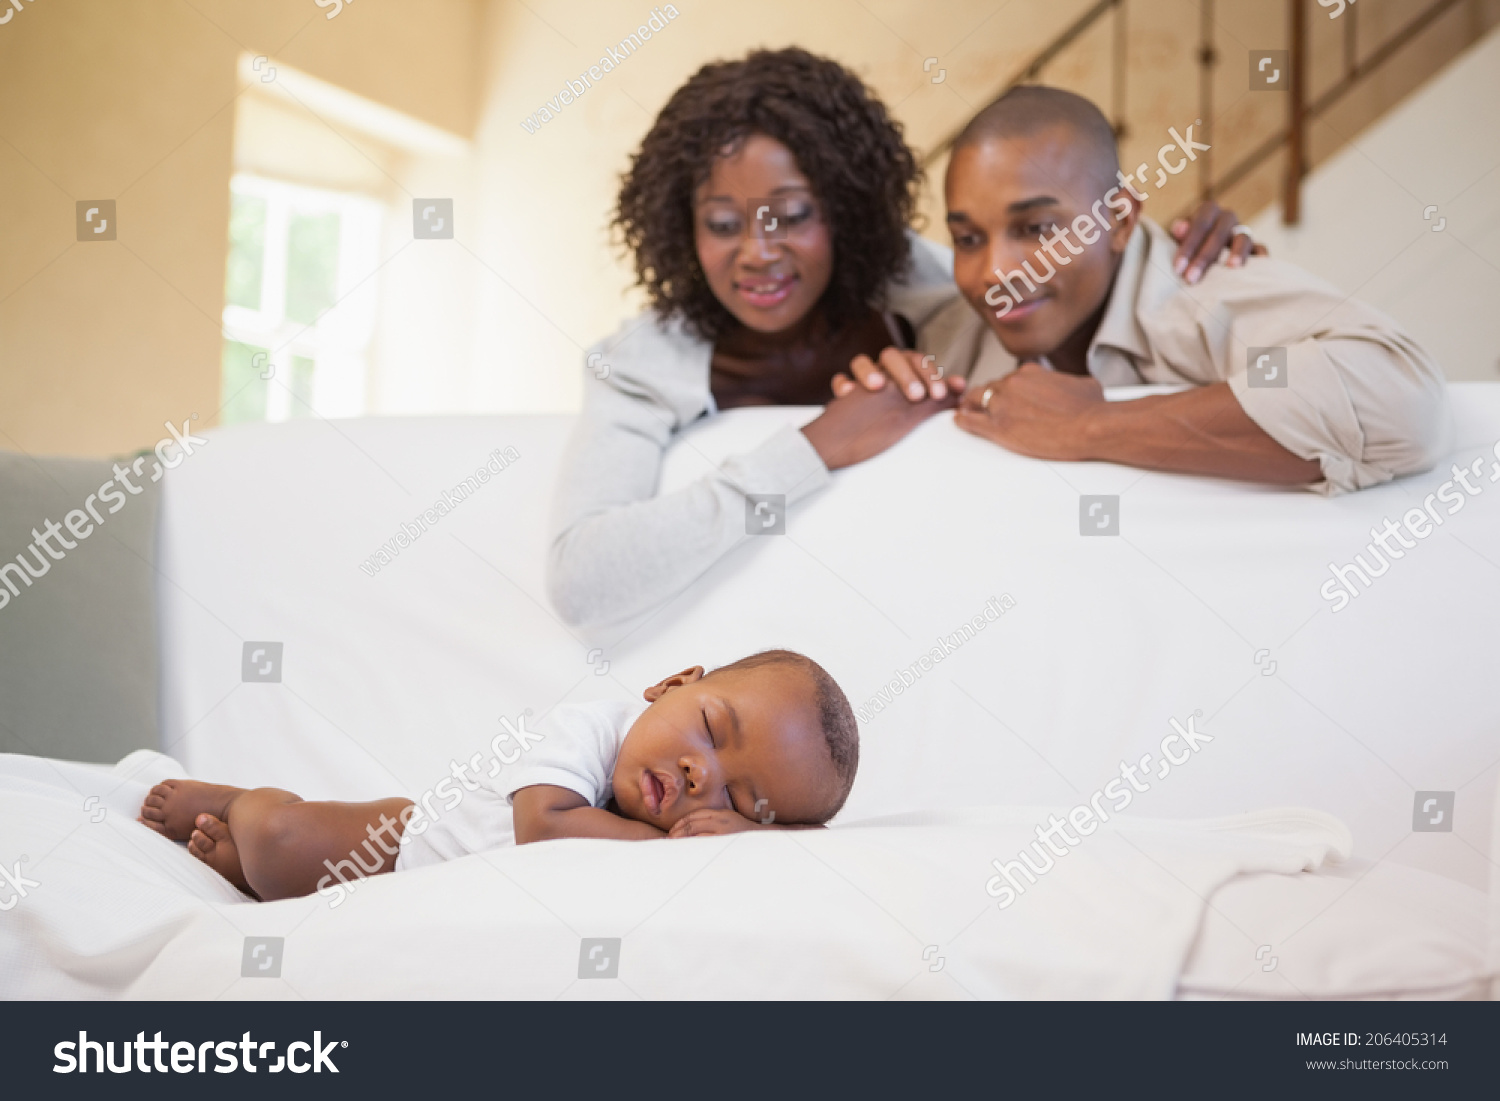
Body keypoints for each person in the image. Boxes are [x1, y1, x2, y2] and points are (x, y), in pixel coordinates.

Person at [548, 49, 1254, 626]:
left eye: (792, 215)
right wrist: (817, 445)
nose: (759, 253)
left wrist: (1166, 261)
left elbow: (1069, 316)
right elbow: (582, 579)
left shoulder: (920, 285)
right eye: (724, 224)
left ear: (847, 213)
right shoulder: (645, 361)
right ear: (681, 227)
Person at [869, 84, 1450, 492]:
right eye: (968, 239)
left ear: (1120, 221)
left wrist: (1089, 427)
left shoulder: (1201, 289)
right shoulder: (950, 332)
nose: (996, 271)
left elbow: (1401, 399)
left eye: (1039, 228)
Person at [136, 650, 857, 902]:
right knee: (285, 848)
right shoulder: (591, 728)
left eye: (736, 798)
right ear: (669, 683)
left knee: (268, 884)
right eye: (711, 728)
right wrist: (681, 844)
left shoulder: (683, 827)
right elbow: (543, 826)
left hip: (430, 889)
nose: (703, 773)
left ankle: (231, 863)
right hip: (402, 845)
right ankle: (239, 803)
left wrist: (737, 835)